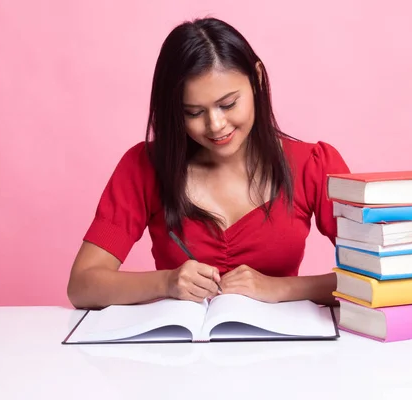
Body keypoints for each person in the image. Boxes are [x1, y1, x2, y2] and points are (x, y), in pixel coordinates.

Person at [66, 17, 350, 310]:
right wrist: (166, 283)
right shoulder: (144, 167)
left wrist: (280, 288)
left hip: (283, 348)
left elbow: (381, 278)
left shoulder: (314, 166)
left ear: (258, 80)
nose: (215, 125)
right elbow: (82, 286)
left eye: (228, 105)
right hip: (179, 348)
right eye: (193, 112)